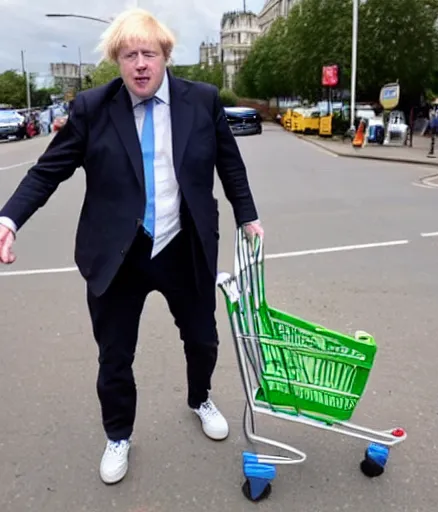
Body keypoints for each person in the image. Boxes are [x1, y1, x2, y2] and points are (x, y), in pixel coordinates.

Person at [0, 8, 263, 485]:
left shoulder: (201, 100)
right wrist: (9, 218)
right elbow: (47, 170)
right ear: (117, 62)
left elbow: (231, 165)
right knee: (115, 356)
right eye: (129, 55)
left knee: (202, 339)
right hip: (118, 255)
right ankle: (118, 435)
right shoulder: (92, 109)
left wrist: (248, 216)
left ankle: (199, 397)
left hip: (183, 246)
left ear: (165, 57)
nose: (140, 63)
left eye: (148, 53)